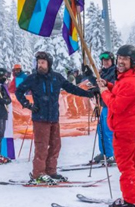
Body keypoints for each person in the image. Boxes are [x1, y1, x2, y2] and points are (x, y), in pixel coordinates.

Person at [15, 51, 95, 183]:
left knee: (55, 145)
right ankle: (38, 174)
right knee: (41, 146)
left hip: (53, 117)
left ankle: (51, 171)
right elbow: (19, 91)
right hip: (40, 118)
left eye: (43, 63)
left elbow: (71, 88)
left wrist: (88, 94)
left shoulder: (56, 77)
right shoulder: (33, 78)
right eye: (38, 63)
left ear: (49, 64)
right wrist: (27, 104)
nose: (40, 65)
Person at [96, 45, 135, 207]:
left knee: (126, 165)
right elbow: (119, 91)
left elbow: (115, 106)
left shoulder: (130, 81)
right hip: (131, 128)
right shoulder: (128, 78)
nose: (120, 62)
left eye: (125, 59)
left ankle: (131, 199)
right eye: (119, 58)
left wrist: (103, 92)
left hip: (124, 129)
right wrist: (107, 85)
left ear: (132, 61)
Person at [92, 51, 117, 163]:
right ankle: (105, 153)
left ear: (112, 61)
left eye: (107, 60)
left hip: (111, 104)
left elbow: (111, 85)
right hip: (103, 104)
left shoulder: (115, 72)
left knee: (108, 130)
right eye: (103, 61)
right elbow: (99, 85)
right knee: (101, 129)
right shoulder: (102, 72)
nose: (105, 62)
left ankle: (113, 154)